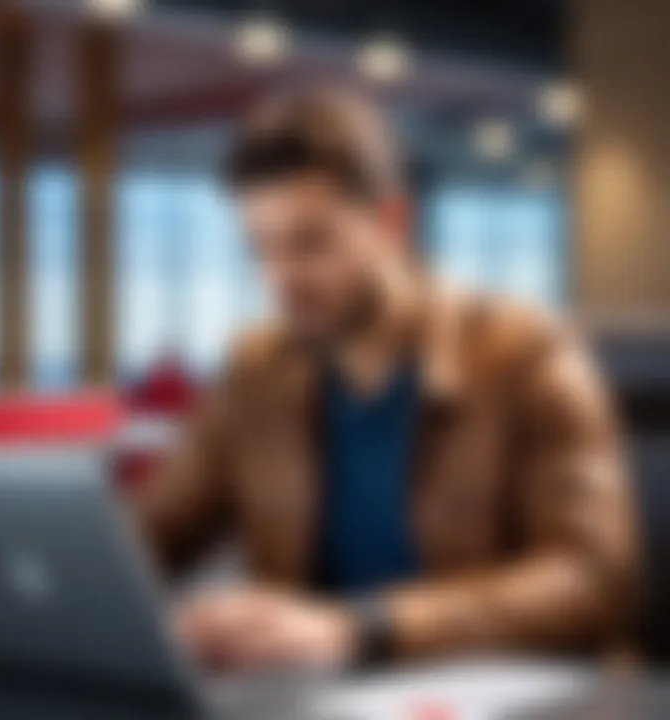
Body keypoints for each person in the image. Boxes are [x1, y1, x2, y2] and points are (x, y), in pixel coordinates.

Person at [134, 86, 639, 672]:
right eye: (262, 249)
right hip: (314, 698)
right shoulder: (256, 372)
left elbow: (597, 581)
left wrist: (362, 628)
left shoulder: (526, 354)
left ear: (392, 221)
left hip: (497, 693)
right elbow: (149, 538)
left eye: (310, 243)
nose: (281, 279)